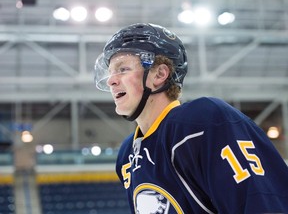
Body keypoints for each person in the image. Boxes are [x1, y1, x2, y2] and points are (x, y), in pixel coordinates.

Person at [94, 23, 288, 213]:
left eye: (123, 69)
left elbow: (262, 202)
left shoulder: (204, 122)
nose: (111, 80)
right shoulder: (127, 155)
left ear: (160, 74)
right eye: (110, 72)